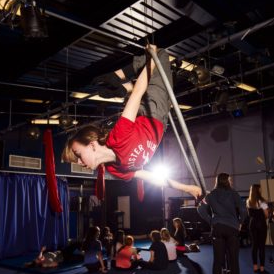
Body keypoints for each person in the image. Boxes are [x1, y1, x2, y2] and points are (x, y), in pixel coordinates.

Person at [62, 44, 201, 200]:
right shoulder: (115, 170)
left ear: (92, 144)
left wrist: (151, 58)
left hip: (152, 111)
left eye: (78, 155)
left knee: (159, 54)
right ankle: (123, 87)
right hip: (162, 122)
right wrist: (186, 188)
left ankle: (118, 77)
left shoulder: (118, 137)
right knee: (156, 69)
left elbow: (138, 93)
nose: (79, 162)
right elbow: (150, 177)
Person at [197, 172, 249, 274]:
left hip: (217, 228)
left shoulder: (210, 195)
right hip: (232, 228)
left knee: (217, 261)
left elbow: (200, 209)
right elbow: (243, 210)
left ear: (217, 181)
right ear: (228, 181)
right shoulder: (234, 193)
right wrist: (240, 223)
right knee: (234, 262)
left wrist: (211, 221)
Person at [247, 184, 269, 274]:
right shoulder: (262, 201)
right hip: (261, 224)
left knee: (254, 246)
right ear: (258, 190)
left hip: (252, 224)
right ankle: (262, 268)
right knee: (261, 247)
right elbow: (266, 215)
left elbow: (249, 214)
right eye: (260, 189)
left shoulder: (248, 201)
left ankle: (255, 267)